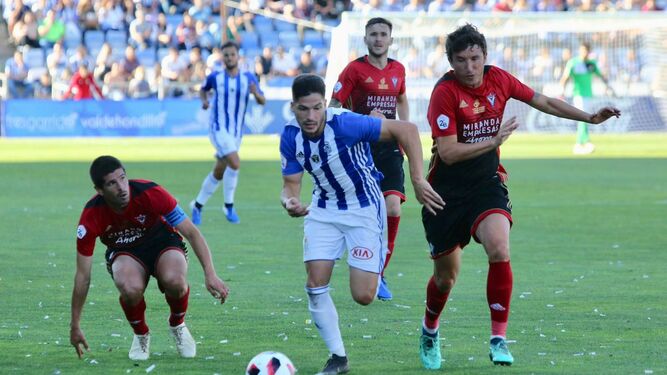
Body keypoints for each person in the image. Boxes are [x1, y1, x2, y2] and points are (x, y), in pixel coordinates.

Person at [418, 24, 620, 370]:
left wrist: (589, 118)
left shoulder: (500, 79)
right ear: (450, 62)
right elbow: (448, 153)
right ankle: (430, 330)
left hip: (486, 185)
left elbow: (541, 100)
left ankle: (498, 338)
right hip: (444, 195)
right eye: (461, 60)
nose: (469, 67)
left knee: (499, 246)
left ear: (485, 56)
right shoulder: (445, 93)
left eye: (475, 58)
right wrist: (493, 143)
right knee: (445, 278)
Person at [280, 74, 444, 374]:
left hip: (364, 208)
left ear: (325, 104)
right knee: (315, 284)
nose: (311, 116)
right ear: (293, 107)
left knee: (364, 295)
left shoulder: (345, 124)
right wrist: (289, 201)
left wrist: (418, 179)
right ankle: (338, 358)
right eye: (304, 109)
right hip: (323, 209)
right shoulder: (290, 137)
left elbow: (406, 129)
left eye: (317, 108)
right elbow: (291, 184)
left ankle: (376, 263)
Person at [70, 156, 229, 361]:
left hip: (163, 241)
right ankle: (141, 334)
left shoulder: (150, 192)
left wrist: (210, 273)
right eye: (112, 183)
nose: (121, 187)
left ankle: (177, 324)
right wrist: (75, 325)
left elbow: (191, 233)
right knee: (129, 287)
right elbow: (83, 276)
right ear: (99, 190)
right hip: (124, 250)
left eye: (123, 178)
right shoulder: (91, 216)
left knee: (176, 281)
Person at [329, 17, 408, 301]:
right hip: (361, 149)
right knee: (361, 212)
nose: (378, 39)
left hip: (389, 148)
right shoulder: (353, 70)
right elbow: (333, 108)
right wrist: (361, 121)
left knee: (393, 209)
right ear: (365, 39)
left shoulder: (398, 69)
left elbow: (401, 98)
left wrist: (404, 129)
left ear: (390, 39)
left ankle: (380, 272)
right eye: (373, 34)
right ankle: (343, 251)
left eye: (383, 34)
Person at [190, 41, 266, 225]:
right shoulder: (215, 77)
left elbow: (262, 101)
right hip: (218, 127)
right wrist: (205, 101)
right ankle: (229, 205)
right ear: (222, 58)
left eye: (232, 54)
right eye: (226, 55)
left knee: (219, 170)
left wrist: (256, 94)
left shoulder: (248, 78)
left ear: (237, 56)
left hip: (236, 132)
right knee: (235, 162)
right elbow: (203, 89)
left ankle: (197, 205)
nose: (229, 58)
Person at [559, 42, 616, 154]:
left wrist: (608, 86)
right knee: (583, 117)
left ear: (589, 52)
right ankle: (581, 142)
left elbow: (601, 76)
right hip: (578, 94)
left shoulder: (592, 64)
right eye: (582, 50)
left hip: (589, 94)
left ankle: (582, 142)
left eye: (586, 51)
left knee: (587, 118)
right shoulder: (573, 62)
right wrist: (562, 91)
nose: (584, 53)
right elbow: (565, 77)